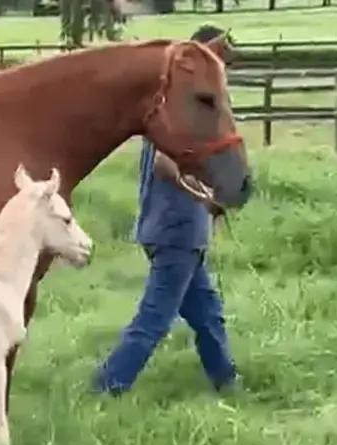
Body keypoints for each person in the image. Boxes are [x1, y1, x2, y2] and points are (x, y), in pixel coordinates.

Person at [92, 24, 241, 397]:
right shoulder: (183, 109)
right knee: (155, 320)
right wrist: (205, 198)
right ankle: (108, 386)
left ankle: (226, 380)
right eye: (220, 56)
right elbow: (165, 164)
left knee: (207, 314)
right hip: (176, 230)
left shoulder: (173, 104)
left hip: (174, 229)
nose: (224, 67)